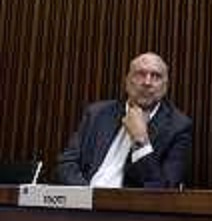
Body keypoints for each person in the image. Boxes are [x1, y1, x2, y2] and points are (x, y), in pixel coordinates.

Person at [56, 52, 192, 189]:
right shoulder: (97, 113)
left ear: (165, 86)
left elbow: (163, 189)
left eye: (156, 76)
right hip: (85, 195)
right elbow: (66, 163)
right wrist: (87, 195)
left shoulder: (178, 127)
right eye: (140, 74)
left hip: (128, 201)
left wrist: (141, 141)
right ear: (127, 81)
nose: (147, 82)